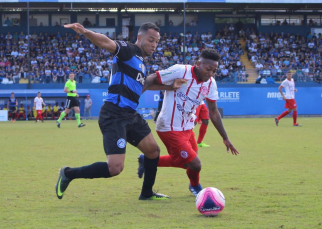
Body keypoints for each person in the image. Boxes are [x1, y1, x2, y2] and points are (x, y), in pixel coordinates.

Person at [55, 22, 184, 201]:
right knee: (114, 168)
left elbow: (145, 85)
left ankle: (146, 193)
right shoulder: (128, 51)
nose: (154, 44)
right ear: (140, 38)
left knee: (153, 151)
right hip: (114, 114)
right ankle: (68, 173)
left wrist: (170, 87)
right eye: (151, 40)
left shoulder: (140, 63)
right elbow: (107, 43)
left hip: (130, 114)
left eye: (157, 42)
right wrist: (85, 32)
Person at [137, 48, 239, 197]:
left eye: (214, 71)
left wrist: (225, 138)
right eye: (208, 69)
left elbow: (214, 112)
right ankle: (195, 186)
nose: (210, 73)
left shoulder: (210, 84)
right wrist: (133, 98)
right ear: (198, 63)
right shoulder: (180, 71)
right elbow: (151, 79)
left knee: (187, 163)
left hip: (187, 127)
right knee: (195, 164)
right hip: (169, 127)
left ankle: (147, 161)